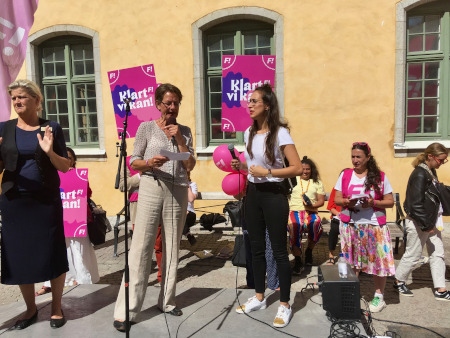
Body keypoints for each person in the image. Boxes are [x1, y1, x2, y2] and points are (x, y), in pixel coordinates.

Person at [113, 83, 196, 332]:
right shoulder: (146, 128)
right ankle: (127, 310)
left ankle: (167, 301)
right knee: (141, 246)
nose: (172, 108)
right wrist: (149, 162)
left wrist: (179, 139)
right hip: (151, 184)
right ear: (158, 104)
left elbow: (189, 164)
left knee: (172, 247)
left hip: (178, 189)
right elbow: (134, 161)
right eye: (168, 103)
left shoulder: (186, 131)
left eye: (176, 103)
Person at [0, 79, 70, 329]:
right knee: (20, 255)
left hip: (45, 201)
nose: (17, 101)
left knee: (52, 251)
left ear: (36, 100)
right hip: (13, 201)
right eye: (14, 98)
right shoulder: (4, 129)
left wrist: (50, 152)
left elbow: (65, 166)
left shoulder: (51, 127)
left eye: (22, 97)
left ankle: (56, 306)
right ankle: (30, 308)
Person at [231, 84, 302, 328]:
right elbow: (253, 166)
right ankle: (259, 296)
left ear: (267, 105)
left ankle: (284, 304)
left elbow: (297, 168)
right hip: (254, 193)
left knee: (280, 252)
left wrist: (268, 171)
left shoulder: (280, 133)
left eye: (254, 101)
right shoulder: (248, 133)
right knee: (256, 248)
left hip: (274, 195)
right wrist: (241, 168)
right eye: (248, 101)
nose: (249, 105)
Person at [334, 142, 395, 313]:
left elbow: (390, 202)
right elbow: (337, 198)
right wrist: (347, 201)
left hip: (374, 224)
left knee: (378, 260)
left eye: (358, 157)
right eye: (353, 156)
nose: (355, 160)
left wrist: (373, 202)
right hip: (352, 224)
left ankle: (379, 296)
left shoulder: (380, 177)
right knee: (352, 260)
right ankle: (350, 292)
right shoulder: (345, 175)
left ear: (368, 157)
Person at [36, 147, 100, 295]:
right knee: (59, 250)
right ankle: (51, 283)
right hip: (58, 217)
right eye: (63, 157)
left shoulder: (79, 175)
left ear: (73, 160)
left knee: (79, 249)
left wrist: (76, 181)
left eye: (69, 157)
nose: (67, 160)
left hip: (77, 218)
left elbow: (87, 193)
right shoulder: (52, 175)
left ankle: (82, 278)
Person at [394, 142, 450, 301]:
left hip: (431, 221)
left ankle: (441, 289)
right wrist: (426, 226)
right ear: (430, 156)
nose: (441, 163)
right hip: (420, 222)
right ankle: (398, 280)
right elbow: (414, 204)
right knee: (413, 254)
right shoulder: (420, 174)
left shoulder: (430, 171)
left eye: (444, 160)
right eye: (440, 160)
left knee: (438, 253)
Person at [288, 156, 325, 272]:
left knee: (316, 223)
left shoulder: (317, 182)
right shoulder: (292, 180)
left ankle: (309, 250)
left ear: (311, 170)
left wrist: (312, 206)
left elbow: (321, 200)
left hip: (311, 211)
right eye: (303, 169)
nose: (305, 171)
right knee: (294, 225)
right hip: (294, 211)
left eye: (308, 169)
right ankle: (298, 259)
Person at [325, 186, 342, 265]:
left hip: (352, 218)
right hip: (338, 217)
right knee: (334, 231)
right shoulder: (336, 189)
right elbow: (331, 207)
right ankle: (331, 254)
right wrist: (338, 214)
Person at [182, 171, 198, 245]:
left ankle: (185, 234)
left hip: (190, 214)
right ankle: (188, 234)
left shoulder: (192, 185)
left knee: (181, 218)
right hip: (180, 213)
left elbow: (191, 199)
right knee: (180, 216)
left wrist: (187, 186)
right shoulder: (175, 185)